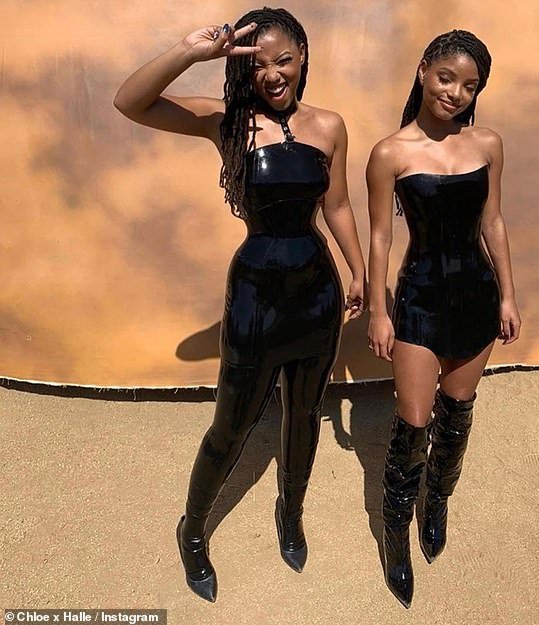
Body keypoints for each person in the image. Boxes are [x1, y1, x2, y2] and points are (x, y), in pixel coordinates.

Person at [114, 7, 365, 603]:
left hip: (318, 294)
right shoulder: (227, 121)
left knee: (304, 413)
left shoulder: (330, 125)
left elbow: (337, 206)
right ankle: (192, 529)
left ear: (303, 58)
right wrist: (190, 51)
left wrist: (359, 271)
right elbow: (130, 102)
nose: (273, 74)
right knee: (231, 425)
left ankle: (290, 512)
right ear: (243, 70)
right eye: (259, 65)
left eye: (285, 60)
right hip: (254, 293)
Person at [366, 29, 521, 608]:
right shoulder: (389, 153)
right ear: (424, 71)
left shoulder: (488, 144)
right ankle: (395, 535)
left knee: (456, 416)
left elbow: (494, 222)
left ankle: (437, 505)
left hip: (477, 294)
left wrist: (508, 295)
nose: (454, 93)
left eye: (469, 86)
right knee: (413, 424)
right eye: (446, 78)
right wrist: (378, 310)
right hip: (420, 299)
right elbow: (380, 237)